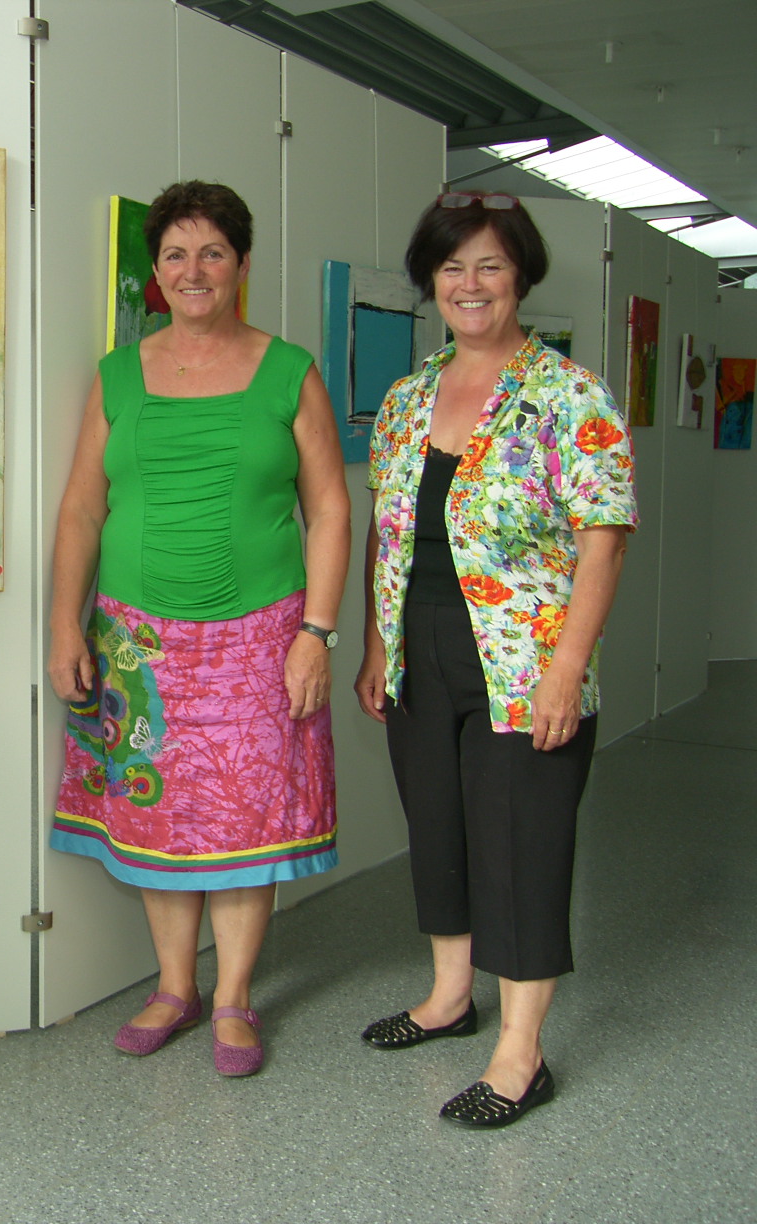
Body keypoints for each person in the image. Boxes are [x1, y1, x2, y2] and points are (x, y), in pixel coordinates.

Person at [48, 181, 349, 1075]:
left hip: (261, 636)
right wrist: (65, 626)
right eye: (175, 254)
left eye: (212, 252)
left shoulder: (289, 371)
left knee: (245, 816)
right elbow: (81, 510)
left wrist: (318, 632)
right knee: (158, 812)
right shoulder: (117, 375)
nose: (193, 270)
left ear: (242, 265)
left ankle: (232, 998)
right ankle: (174, 987)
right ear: (156, 271)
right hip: (136, 640)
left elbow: (331, 509)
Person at [354, 192, 636, 1127]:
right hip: (418, 648)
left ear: (521, 277)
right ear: (431, 282)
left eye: (489, 266)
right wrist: (375, 643)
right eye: (451, 267)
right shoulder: (408, 396)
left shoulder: (570, 394)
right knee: (436, 824)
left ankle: (521, 1052)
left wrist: (567, 671)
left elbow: (603, 543)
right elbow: (386, 528)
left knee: (520, 843)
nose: (469, 285)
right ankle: (448, 998)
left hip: (524, 658)